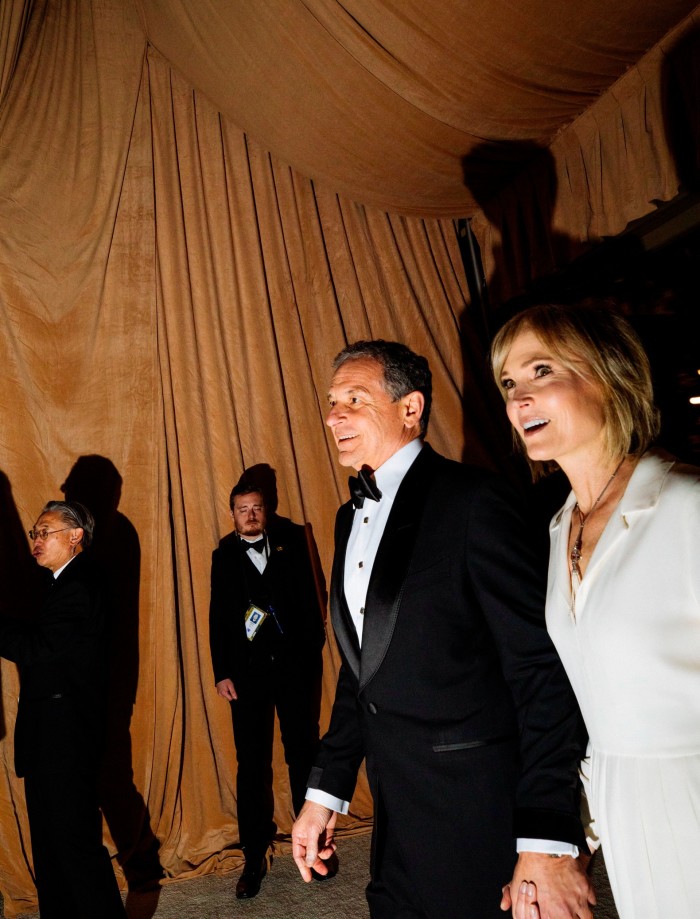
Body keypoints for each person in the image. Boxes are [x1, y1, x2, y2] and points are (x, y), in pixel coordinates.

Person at [291, 339, 594, 919]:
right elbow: (363, 671)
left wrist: (544, 834)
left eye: (355, 398)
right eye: (331, 402)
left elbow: (542, 672)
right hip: (395, 813)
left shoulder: (474, 502)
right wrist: (324, 793)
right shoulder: (345, 518)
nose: (334, 416)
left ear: (411, 408)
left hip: (477, 812)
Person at [491, 302, 700, 919]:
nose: (519, 398)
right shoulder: (559, 530)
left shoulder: (686, 505)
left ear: (610, 375)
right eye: (508, 383)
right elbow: (602, 718)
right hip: (624, 810)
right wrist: (558, 848)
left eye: (541, 371)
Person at [0, 500, 126, 918]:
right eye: (34, 533)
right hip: (49, 734)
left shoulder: (80, 582)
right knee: (51, 851)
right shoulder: (58, 583)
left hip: (64, 736)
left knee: (73, 848)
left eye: (44, 531)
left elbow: (39, 648)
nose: (35, 540)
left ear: (76, 537)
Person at [209, 480, 327, 899]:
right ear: (233, 513)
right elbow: (219, 617)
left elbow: (313, 600)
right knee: (251, 765)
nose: (251, 515)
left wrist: (311, 648)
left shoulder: (292, 540)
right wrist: (223, 671)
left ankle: (314, 847)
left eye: (257, 508)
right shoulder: (222, 556)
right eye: (243, 509)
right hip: (247, 678)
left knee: (303, 753)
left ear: (266, 509)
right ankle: (253, 857)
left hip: (295, 670)